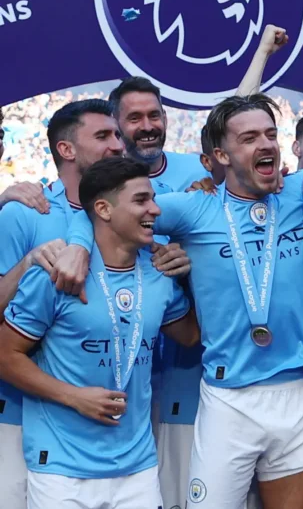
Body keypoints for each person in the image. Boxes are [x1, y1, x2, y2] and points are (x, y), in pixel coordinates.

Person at [53, 91, 303, 509]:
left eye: (272, 134)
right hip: (226, 395)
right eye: (251, 137)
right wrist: (77, 245)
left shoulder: (298, 195)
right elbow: (102, 208)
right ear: (219, 155)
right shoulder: (194, 207)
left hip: (296, 388)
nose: (266, 143)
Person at [0, 157, 199, 509]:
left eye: (153, 198)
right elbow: (4, 354)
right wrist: (74, 397)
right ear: (104, 209)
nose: (155, 208)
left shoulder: (158, 275)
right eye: (141, 200)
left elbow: (191, 335)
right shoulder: (58, 274)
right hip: (62, 468)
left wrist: (193, 272)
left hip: (137, 466)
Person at [0, 99, 126, 509]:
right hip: (20, 420)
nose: (117, 145)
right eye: (103, 136)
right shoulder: (24, 213)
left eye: (117, 135)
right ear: (66, 150)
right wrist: (29, 263)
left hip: (114, 426)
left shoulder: (129, 216)